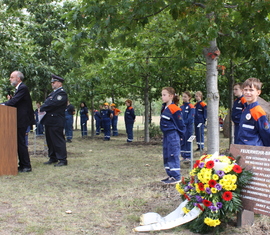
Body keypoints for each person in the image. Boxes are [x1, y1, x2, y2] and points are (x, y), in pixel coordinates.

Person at [2, 71, 35, 172]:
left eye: (12, 77)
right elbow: (16, 102)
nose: (10, 79)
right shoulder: (19, 89)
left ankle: (26, 166)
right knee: (18, 142)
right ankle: (22, 165)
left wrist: (3, 105)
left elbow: (14, 102)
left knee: (20, 143)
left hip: (22, 120)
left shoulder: (22, 88)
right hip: (18, 119)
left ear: (18, 79)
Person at [40, 74, 68, 167]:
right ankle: (53, 157)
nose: (52, 83)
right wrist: (44, 106)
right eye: (52, 82)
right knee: (50, 140)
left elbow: (52, 104)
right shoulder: (52, 93)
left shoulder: (62, 93)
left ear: (59, 83)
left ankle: (62, 160)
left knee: (58, 140)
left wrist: (44, 106)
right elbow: (47, 103)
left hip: (56, 120)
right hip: (49, 120)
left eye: (54, 82)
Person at [160, 87, 186, 184]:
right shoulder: (164, 107)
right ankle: (170, 175)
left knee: (173, 154)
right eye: (162, 95)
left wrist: (181, 135)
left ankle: (176, 176)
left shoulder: (174, 108)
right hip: (166, 135)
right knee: (167, 154)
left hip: (172, 135)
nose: (162, 97)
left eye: (164, 95)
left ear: (171, 96)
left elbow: (180, 123)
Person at [237, 78, 270, 146]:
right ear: (242, 91)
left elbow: (266, 132)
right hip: (243, 148)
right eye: (246, 90)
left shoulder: (258, 111)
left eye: (251, 90)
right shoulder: (246, 109)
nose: (248, 92)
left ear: (258, 92)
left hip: (254, 150)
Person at [180, 91, 195, 162]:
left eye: (185, 96)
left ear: (189, 97)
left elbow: (190, 117)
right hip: (182, 127)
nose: (184, 98)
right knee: (182, 141)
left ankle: (188, 156)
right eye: (183, 96)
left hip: (188, 127)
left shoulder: (191, 106)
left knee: (188, 141)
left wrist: (185, 122)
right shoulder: (181, 107)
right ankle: (183, 155)